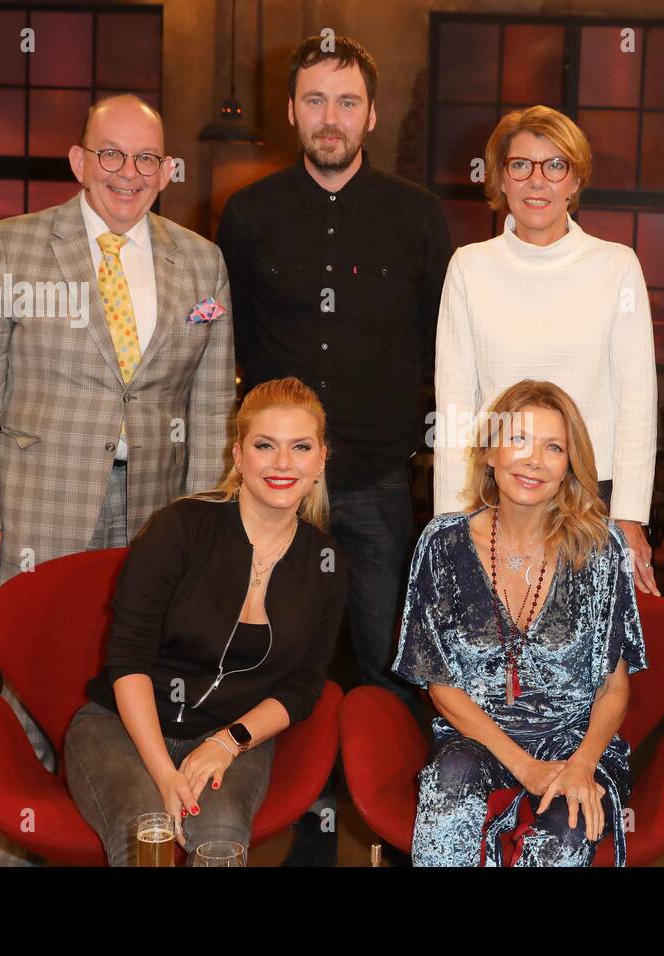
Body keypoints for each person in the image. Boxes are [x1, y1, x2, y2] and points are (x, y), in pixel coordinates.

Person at [0, 93, 235, 864]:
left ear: (167, 169)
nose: (128, 173)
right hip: (37, 508)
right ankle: (19, 854)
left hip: (155, 514)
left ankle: (120, 848)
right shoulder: (15, 246)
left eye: (147, 158)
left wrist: (206, 526)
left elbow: (212, 405)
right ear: (79, 161)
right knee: (33, 696)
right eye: (111, 153)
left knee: (132, 690)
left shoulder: (201, 261)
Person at [218, 34, 452, 702]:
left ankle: (380, 799)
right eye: (315, 99)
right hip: (272, 482)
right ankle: (283, 797)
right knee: (268, 654)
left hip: (376, 480)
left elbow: (448, 344)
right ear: (291, 111)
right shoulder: (247, 215)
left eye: (347, 102)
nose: (331, 117)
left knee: (388, 659)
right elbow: (222, 342)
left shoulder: (419, 216)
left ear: (371, 115)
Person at [64, 378, 347, 865]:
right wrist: (163, 772)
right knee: (145, 828)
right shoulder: (180, 527)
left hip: (231, 733)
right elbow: (128, 657)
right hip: (121, 726)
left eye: (300, 447)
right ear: (239, 456)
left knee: (220, 836)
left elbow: (304, 685)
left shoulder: (325, 560)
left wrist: (228, 741)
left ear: (321, 459)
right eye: (265, 446)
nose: (283, 463)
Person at [394, 380, 647, 866]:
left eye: (554, 447)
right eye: (519, 440)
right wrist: (526, 768)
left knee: (563, 838)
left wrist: (582, 765)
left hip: (577, 741)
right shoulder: (441, 545)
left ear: (569, 465)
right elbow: (441, 685)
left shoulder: (601, 550)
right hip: (475, 737)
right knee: (447, 790)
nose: (534, 460)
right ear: (490, 452)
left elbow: (614, 689)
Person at [433, 106, 660, 596]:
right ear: (501, 179)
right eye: (521, 165)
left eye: (555, 165)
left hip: (590, 500)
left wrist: (630, 515)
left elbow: (637, 399)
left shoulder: (616, 266)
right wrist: (451, 523)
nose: (537, 181)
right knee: (490, 654)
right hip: (495, 498)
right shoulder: (469, 268)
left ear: (574, 179)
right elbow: (454, 406)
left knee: (582, 664)